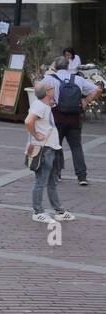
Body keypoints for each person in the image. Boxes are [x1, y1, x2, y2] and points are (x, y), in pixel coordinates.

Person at [26, 79, 75, 224]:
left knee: (52, 181)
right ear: (47, 92)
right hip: (45, 148)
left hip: (52, 148)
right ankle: (38, 211)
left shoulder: (44, 105)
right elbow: (28, 121)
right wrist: (36, 135)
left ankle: (58, 210)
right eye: (52, 88)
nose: (55, 90)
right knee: (41, 181)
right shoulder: (40, 106)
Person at [51, 57, 100, 187]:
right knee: (76, 147)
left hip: (57, 117)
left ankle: (57, 174)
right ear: (68, 66)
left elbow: (39, 91)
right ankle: (82, 176)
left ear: (56, 66)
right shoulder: (78, 79)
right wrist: (85, 101)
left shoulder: (50, 79)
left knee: (56, 146)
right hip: (74, 118)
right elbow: (96, 89)